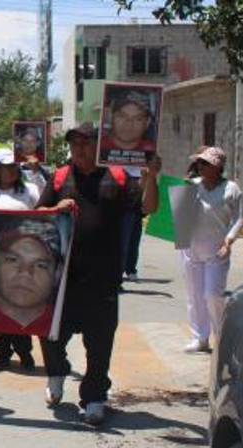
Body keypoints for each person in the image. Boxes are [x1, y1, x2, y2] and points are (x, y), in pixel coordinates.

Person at [36, 122, 160, 426]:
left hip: (103, 277)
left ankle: (93, 397)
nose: (78, 148)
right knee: (49, 334)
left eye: (85, 142)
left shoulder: (116, 177)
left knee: (100, 343)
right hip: (63, 278)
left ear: (98, 145)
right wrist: (55, 209)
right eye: (74, 143)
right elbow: (36, 215)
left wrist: (151, 179)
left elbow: (148, 207)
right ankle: (56, 373)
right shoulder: (60, 177)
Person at [0, 148, 42, 372]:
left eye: (14, 166)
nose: (11, 170)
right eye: (6, 167)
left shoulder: (30, 190)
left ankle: (24, 351)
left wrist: (37, 171)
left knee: (21, 302)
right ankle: (2, 351)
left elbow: (45, 210)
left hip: (26, 257)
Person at [180, 147, 243, 353]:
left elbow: (240, 219)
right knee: (195, 295)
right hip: (191, 250)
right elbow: (178, 214)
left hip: (216, 252)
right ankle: (200, 338)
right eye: (199, 163)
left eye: (205, 163)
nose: (200, 166)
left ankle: (221, 338)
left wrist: (229, 241)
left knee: (212, 295)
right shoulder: (192, 186)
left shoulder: (231, 189)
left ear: (218, 167)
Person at [0, 219, 63, 333]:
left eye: (40, 265)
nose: (25, 272)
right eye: (13, 260)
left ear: (57, 273)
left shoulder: (64, 324)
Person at [100, 90, 158, 158]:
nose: (129, 124)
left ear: (147, 123)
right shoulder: (98, 147)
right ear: (111, 117)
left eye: (137, 119)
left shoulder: (153, 151)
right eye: (122, 116)